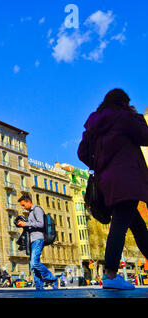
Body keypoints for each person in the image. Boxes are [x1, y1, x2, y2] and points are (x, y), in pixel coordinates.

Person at [78, 88, 148, 290]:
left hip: (106, 182)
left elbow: (82, 152)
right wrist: (136, 116)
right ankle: (110, 275)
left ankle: (110, 275)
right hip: (127, 178)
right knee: (120, 224)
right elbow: (145, 137)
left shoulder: (94, 124)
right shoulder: (125, 117)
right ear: (124, 102)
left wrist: (100, 163)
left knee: (137, 226)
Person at [16, 194, 58, 291]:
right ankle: (39, 286)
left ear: (29, 202)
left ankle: (52, 279)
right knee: (33, 265)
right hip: (32, 240)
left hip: (38, 239)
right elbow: (32, 225)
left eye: (23, 205)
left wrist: (25, 223)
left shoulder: (37, 209)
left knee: (34, 263)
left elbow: (40, 224)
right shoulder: (31, 213)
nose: (23, 207)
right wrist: (22, 224)